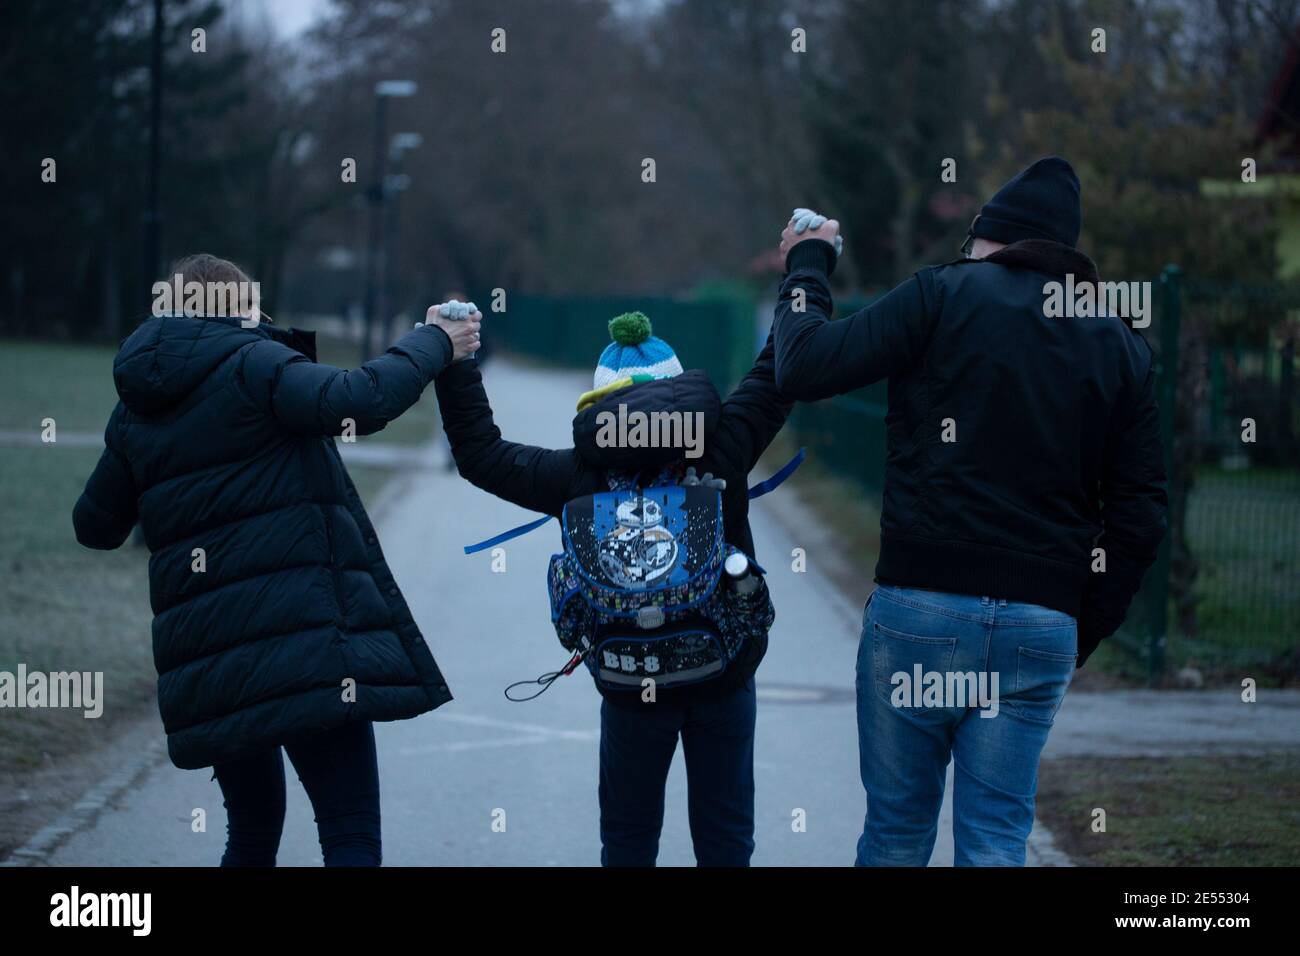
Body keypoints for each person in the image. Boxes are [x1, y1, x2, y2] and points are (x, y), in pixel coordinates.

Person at [772, 157, 1168, 866]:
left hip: (920, 611)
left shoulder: (941, 296)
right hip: (1039, 624)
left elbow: (803, 367)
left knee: (896, 833)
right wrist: (1078, 628)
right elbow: (1140, 520)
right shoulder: (1121, 345)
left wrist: (807, 266)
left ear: (991, 242)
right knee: (995, 841)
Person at [72, 253, 481, 866]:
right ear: (241, 310)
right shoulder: (254, 362)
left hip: (211, 659)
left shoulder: (135, 406)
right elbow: (359, 401)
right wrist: (435, 341)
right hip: (306, 643)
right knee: (349, 832)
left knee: (251, 833)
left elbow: (94, 525)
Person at [433, 312, 792, 866]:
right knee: (725, 840)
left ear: (600, 406)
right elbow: (777, 373)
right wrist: (806, 268)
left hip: (631, 683)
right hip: (723, 673)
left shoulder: (576, 474)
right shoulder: (725, 444)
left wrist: (456, 362)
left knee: (628, 840)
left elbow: (480, 454)